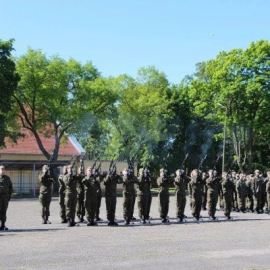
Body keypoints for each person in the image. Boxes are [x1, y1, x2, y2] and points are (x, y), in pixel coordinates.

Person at [0, 165, 13, 230]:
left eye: (3, 169)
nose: (2, 171)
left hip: (5, 198)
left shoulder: (7, 178)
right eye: (1, 169)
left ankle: (3, 225)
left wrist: (8, 197)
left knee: (4, 211)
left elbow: (11, 188)